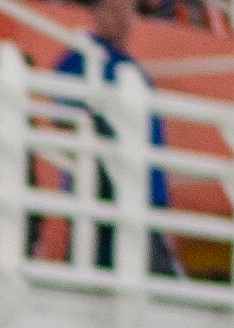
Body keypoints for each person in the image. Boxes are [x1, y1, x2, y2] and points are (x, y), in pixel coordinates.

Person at [56, 0, 173, 276]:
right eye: (115, 10)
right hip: (103, 196)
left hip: (145, 202)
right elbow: (66, 122)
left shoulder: (132, 68)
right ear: (97, 11)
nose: (123, 19)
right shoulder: (80, 59)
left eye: (128, 10)